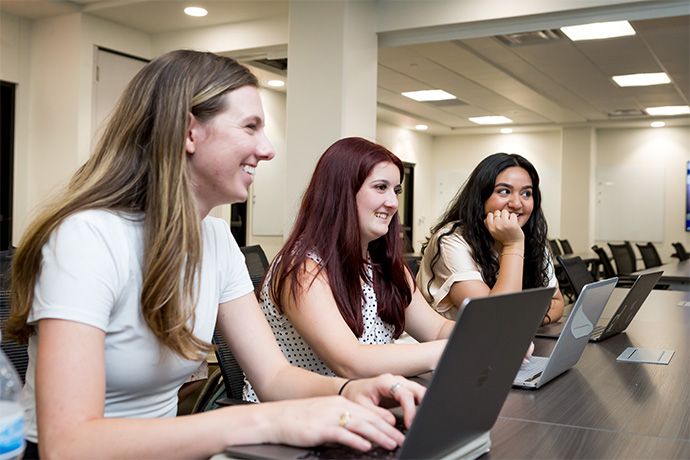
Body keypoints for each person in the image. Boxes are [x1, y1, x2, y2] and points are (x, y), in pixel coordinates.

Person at [5, 50, 424, 459]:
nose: (267, 149)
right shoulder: (86, 238)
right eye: (250, 127)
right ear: (190, 132)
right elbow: (69, 444)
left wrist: (348, 391)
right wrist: (269, 422)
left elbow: (275, 377)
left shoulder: (216, 240)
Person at [244, 137, 456, 402]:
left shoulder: (386, 264)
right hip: (294, 419)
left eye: (396, 190)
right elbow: (351, 363)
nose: (392, 202)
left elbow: (436, 330)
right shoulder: (302, 270)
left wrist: (487, 338)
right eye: (381, 187)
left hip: (361, 408)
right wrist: (456, 350)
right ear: (341, 192)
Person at [417, 153, 564, 325]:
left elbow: (557, 303)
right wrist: (513, 244)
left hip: (502, 345)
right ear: (481, 197)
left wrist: (518, 321)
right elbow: (495, 320)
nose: (517, 203)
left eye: (526, 193)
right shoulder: (451, 241)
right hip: (447, 349)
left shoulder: (532, 239)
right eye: (504, 191)